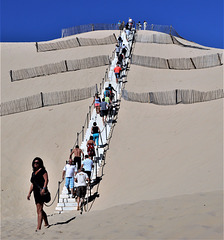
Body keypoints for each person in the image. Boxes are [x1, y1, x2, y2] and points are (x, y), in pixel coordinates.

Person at [27, 157, 49, 231]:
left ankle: (38, 227)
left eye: (37, 163)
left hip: (41, 192)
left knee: (39, 210)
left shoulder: (43, 171)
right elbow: (33, 184)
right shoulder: (33, 173)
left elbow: (46, 180)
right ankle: (46, 222)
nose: (35, 164)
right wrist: (29, 193)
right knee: (39, 209)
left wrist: (44, 189)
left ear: (40, 164)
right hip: (35, 193)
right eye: (34, 163)